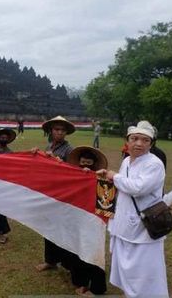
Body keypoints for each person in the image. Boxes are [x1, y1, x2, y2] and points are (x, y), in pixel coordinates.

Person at [97, 120, 169, 297]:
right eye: (135, 138)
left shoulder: (154, 163)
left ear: (150, 144)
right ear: (127, 141)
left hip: (143, 226)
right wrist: (107, 176)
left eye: (145, 140)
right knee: (126, 271)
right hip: (124, 223)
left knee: (143, 274)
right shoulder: (127, 161)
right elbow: (123, 185)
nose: (139, 143)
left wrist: (115, 177)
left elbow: (137, 188)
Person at [33, 116, 75, 272]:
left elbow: (74, 172)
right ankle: (50, 261)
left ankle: (66, 263)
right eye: (57, 129)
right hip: (49, 191)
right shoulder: (49, 145)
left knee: (61, 228)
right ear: (51, 131)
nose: (60, 132)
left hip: (62, 194)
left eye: (63, 130)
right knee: (48, 227)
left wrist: (60, 163)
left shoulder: (70, 150)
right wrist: (37, 154)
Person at [65, 146, 109, 296]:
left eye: (89, 162)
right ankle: (80, 281)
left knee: (93, 251)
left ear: (95, 163)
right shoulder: (73, 176)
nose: (85, 165)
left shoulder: (103, 179)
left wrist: (93, 176)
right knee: (77, 249)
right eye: (82, 162)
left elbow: (106, 201)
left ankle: (97, 288)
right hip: (76, 218)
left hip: (94, 221)